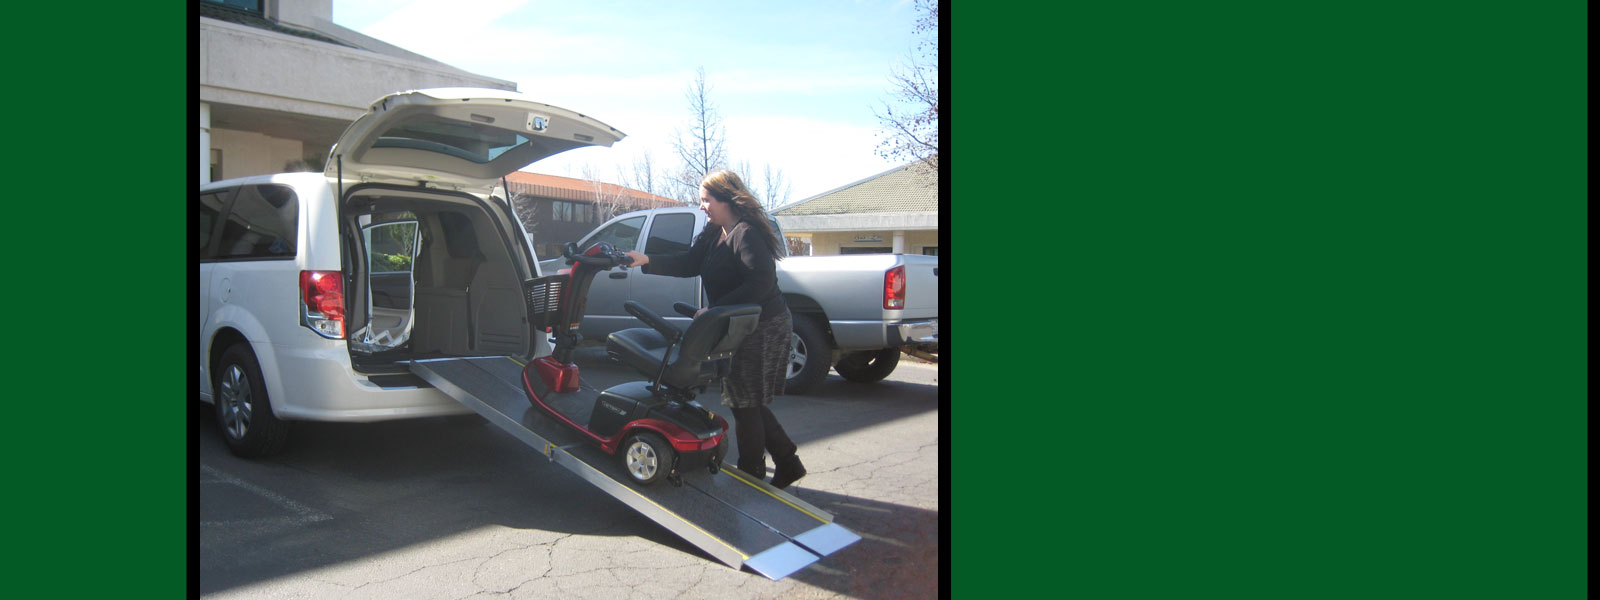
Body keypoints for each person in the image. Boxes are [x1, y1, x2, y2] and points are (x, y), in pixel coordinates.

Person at [623, 170, 807, 489]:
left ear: (726, 199)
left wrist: (716, 309)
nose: (702, 206)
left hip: (764, 325)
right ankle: (788, 463)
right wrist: (646, 260)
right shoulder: (714, 233)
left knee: (743, 400)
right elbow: (689, 263)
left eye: (706, 200)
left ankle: (752, 474)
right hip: (737, 322)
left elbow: (760, 283)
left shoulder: (746, 233)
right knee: (746, 399)